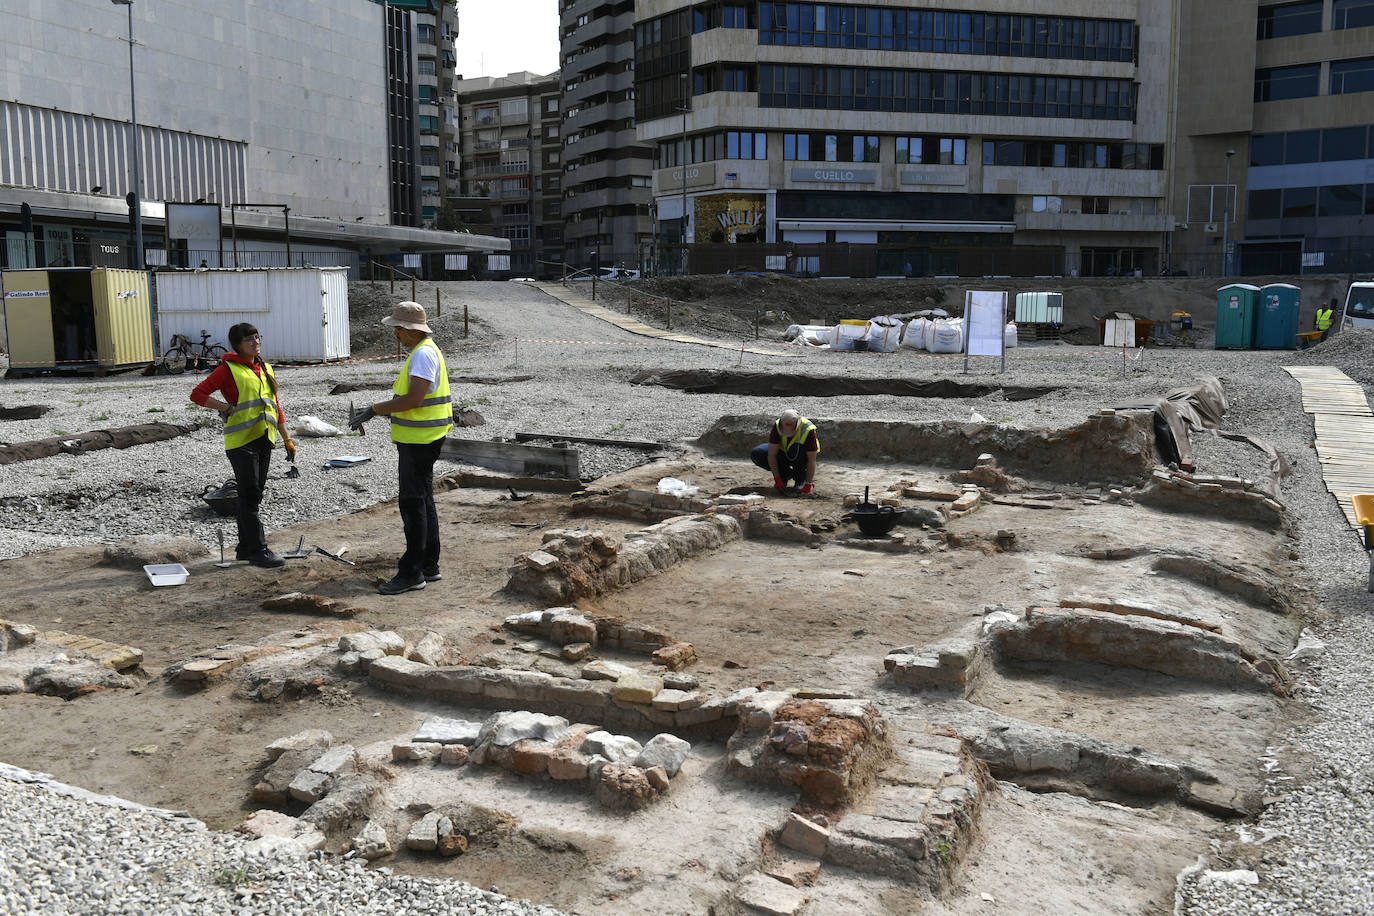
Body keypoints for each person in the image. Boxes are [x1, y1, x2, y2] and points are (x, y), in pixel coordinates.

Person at [349, 302, 452, 595]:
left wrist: (374, 409)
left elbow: (413, 399)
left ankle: (412, 573)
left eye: (398, 328)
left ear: (410, 329)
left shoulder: (422, 355)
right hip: (426, 436)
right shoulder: (427, 351)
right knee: (424, 500)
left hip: (419, 440)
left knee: (412, 503)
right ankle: (429, 565)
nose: (395, 333)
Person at [190, 322, 295, 568]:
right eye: (249, 339)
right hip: (241, 442)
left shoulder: (265, 368)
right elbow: (198, 394)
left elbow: (275, 406)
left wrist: (287, 439)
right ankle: (259, 549)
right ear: (237, 345)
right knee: (249, 495)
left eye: (257, 337)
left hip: (264, 439)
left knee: (254, 495)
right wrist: (225, 407)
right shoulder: (229, 369)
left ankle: (244, 547)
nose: (255, 342)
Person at [750, 409, 819, 495]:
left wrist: (808, 484)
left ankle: (801, 479)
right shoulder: (778, 425)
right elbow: (771, 455)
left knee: (794, 450)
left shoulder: (808, 429)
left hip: (801, 454)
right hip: (784, 452)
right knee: (758, 453)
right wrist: (777, 478)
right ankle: (784, 474)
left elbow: (811, 460)